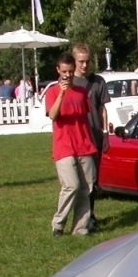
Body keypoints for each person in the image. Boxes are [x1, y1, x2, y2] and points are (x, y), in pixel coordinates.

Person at [45, 52, 97, 236]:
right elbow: (53, 115)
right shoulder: (52, 92)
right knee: (71, 186)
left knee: (86, 188)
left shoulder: (82, 93)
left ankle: (80, 227)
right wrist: (62, 93)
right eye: (64, 71)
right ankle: (58, 224)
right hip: (64, 146)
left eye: (70, 71)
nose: (67, 75)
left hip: (84, 145)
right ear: (58, 70)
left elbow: (86, 118)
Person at [73, 44, 110, 231]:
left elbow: (103, 109)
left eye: (87, 61)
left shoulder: (99, 82)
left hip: (95, 135)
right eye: (81, 62)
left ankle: (90, 214)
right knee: (76, 181)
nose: (85, 65)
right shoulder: (69, 82)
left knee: (93, 180)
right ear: (74, 61)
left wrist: (105, 133)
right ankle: (79, 216)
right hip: (77, 137)